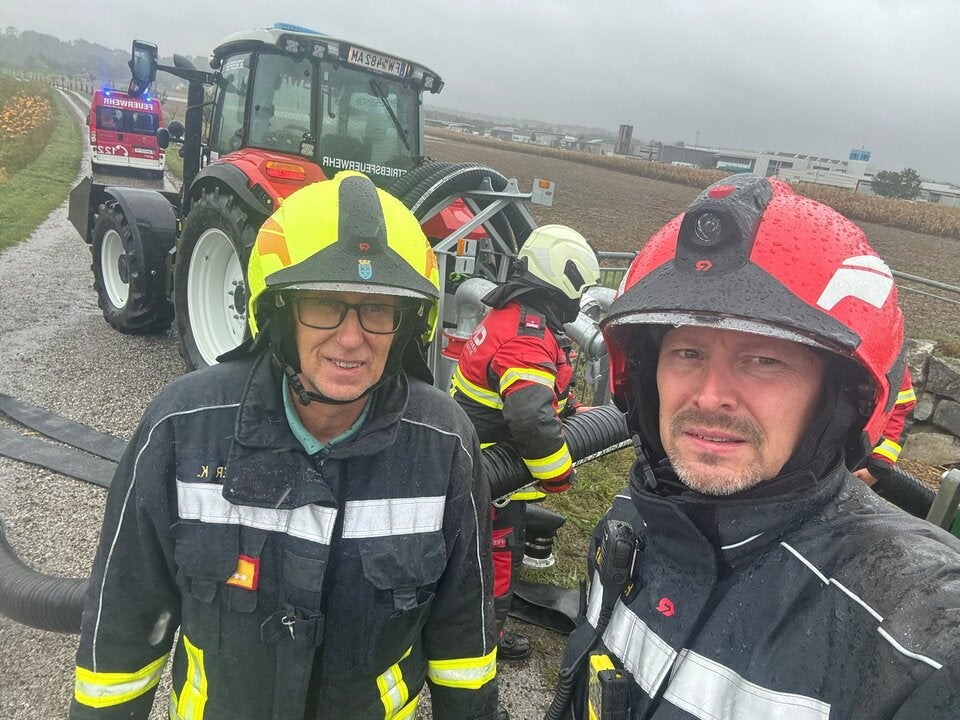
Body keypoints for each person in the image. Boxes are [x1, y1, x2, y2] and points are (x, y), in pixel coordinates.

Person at [70, 171, 498, 720]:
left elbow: (464, 641)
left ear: (406, 324)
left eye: (377, 309)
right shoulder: (181, 428)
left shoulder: (445, 446)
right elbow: (122, 632)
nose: (351, 338)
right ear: (278, 314)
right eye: (323, 303)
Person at [551, 175, 960, 719]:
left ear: (836, 398)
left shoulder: (916, 630)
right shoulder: (632, 520)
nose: (711, 396)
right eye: (689, 352)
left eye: (763, 360)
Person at [450, 225, 600, 667]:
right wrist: (558, 474)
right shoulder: (528, 336)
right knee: (495, 564)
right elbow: (531, 419)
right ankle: (485, 643)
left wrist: (572, 410)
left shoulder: (513, 317)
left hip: (483, 464)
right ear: (564, 283)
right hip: (493, 479)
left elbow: (535, 392)